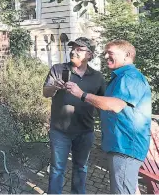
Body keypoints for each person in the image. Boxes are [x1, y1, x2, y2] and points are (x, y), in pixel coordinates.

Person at [65, 40, 151, 194]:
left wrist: (81, 94)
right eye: (105, 53)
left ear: (127, 55)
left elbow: (114, 105)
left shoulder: (130, 77)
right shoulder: (120, 77)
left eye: (110, 53)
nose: (105, 56)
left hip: (125, 147)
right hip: (121, 146)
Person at [43, 37, 106, 194]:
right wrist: (54, 88)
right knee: (57, 169)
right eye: (73, 48)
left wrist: (107, 129)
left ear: (89, 55)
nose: (73, 51)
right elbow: (45, 93)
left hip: (85, 131)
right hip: (60, 131)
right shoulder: (58, 69)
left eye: (79, 49)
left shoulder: (97, 77)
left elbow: (101, 103)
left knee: (81, 168)